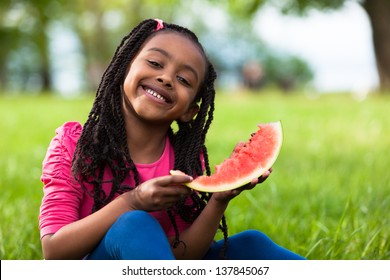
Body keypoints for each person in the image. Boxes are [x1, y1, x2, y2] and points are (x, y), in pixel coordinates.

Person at [38, 19, 305, 260]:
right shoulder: (73, 145)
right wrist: (133, 201)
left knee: (251, 244)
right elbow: (54, 251)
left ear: (190, 110)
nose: (166, 78)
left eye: (183, 79)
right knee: (134, 224)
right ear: (123, 67)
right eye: (155, 63)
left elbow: (182, 259)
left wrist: (219, 200)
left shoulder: (185, 161)